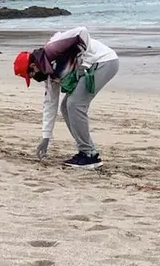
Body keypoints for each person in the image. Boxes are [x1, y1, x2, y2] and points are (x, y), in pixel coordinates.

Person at [13, 26, 119, 169]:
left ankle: (88, 155)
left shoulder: (52, 49)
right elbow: (50, 104)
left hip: (104, 61)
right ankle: (87, 152)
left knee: (75, 104)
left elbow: (82, 31)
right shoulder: (49, 75)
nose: (33, 78)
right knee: (65, 106)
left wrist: (86, 62)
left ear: (33, 65)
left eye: (30, 75)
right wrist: (46, 137)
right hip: (95, 66)